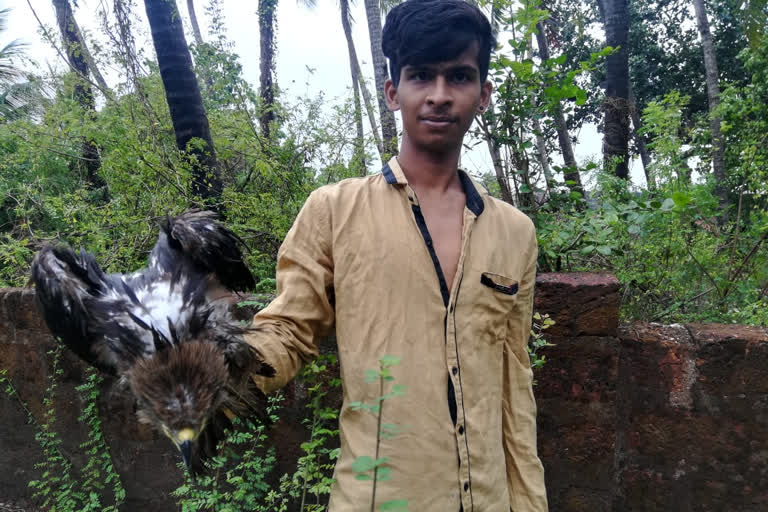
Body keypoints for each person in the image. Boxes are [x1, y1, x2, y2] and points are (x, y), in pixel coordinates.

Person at [247, 1, 548, 510]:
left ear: (483, 95)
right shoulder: (334, 211)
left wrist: (529, 501)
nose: (438, 95)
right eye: (420, 76)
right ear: (393, 92)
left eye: (459, 77)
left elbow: (514, 386)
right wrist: (212, 372)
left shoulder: (514, 233)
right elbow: (288, 330)